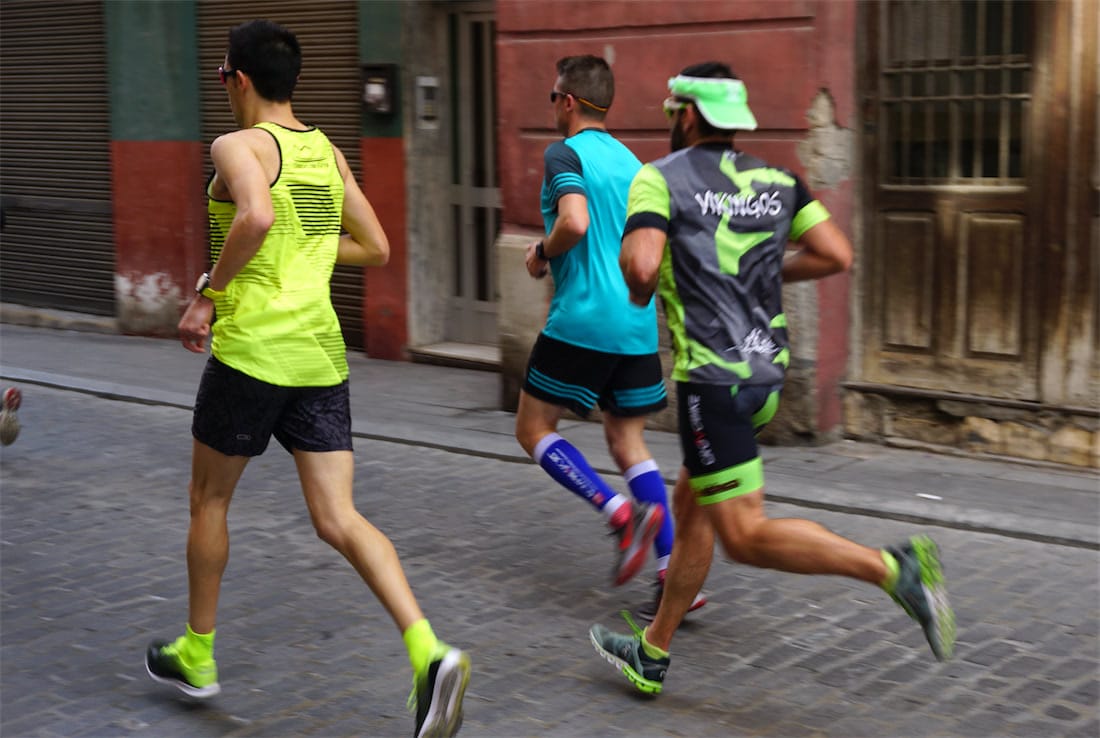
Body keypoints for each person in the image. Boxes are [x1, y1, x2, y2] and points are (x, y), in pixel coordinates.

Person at [143, 21, 469, 738]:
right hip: (319, 357)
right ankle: (429, 649)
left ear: (239, 78)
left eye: (223, 75)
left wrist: (208, 294)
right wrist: (311, 250)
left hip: (253, 352)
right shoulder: (326, 152)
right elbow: (376, 246)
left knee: (207, 499)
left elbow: (256, 213)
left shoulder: (237, 145)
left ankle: (197, 653)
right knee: (338, 518)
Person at [589, 62, 956, 696]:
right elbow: (837, 254)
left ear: (689, 115)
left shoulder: (659, 178)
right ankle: (653, 652)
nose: (671, 120)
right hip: (765, 372)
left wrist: (638, 274)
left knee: (744, 536)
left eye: (674, 111)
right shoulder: (780, 180)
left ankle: (893, 569)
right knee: (692, 506)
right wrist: (758, 279)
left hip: (714, 380)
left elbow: (644, 268)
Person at [514, 55, 706, 616]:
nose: (552, 107)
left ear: (568, 101)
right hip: (636, 322)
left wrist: (540, 252)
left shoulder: (563, 154)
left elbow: (573, 221)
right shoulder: (636, 163)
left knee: (532, 428)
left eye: (553, 97)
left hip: (582, 319)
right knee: (628, 441)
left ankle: (616, 511)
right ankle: (675, 580)